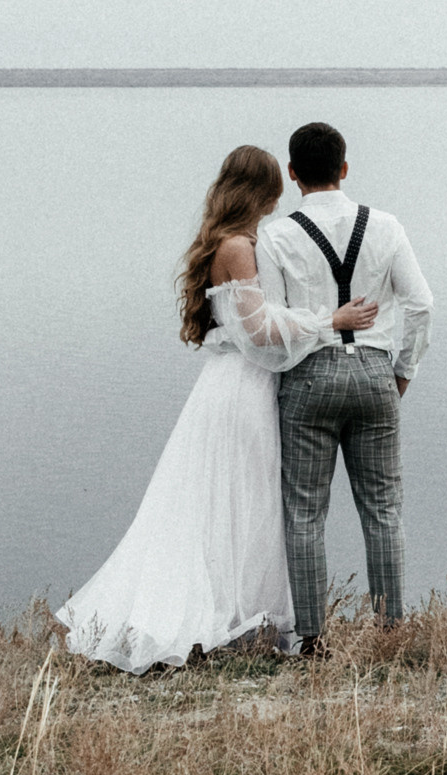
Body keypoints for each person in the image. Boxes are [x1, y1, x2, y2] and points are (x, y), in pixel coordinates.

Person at [58, 145, 378, 673]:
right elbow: (258, 331)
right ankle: (227, 617)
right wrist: (330, 321)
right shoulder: (236, 247)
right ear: (266, 191)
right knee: (239, 499)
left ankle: (244, 614)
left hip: (237, 384)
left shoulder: (234, 242)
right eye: (274, 190)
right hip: (242, 388)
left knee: (237, 500)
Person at [256, 119, 434, 654]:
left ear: (292, 175)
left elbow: (274, 324)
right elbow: (422, 305)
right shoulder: (386, 225)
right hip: (377, 375)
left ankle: (312, 640)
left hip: (309, 378)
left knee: (305, 511)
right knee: (383, 507)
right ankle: (390, 631)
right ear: (345, 168)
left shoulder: (277, 235)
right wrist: (402, 371)